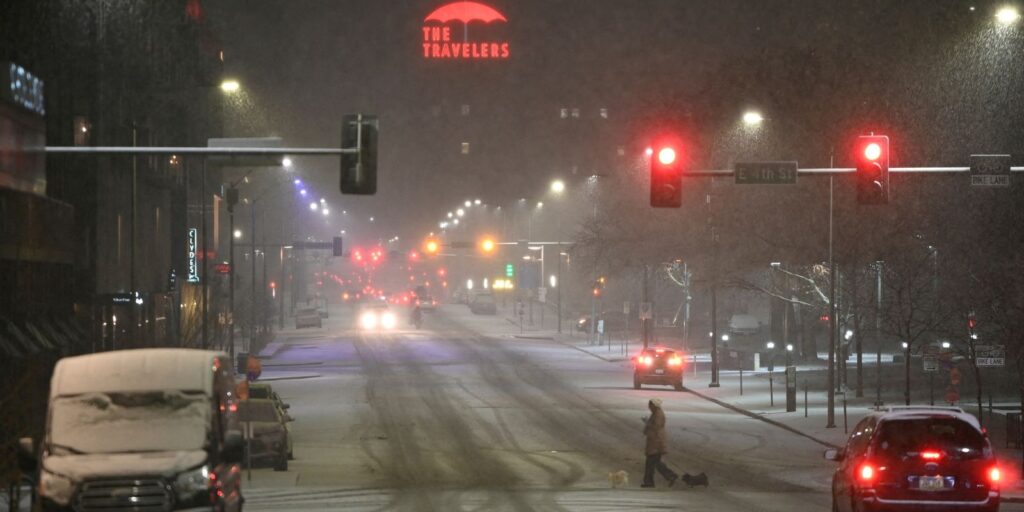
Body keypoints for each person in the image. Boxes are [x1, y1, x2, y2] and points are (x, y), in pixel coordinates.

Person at [641, 398, 678, 488]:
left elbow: (656, 426)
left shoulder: (658, 414)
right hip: (655, 441)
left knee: (651, 463)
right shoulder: (656, 413)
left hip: (656, 442)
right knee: (654, 463)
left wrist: (647, 423)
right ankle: (652, 481)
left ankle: (669, 476)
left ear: (654, 405)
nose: (649, 407)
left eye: (650, 405)